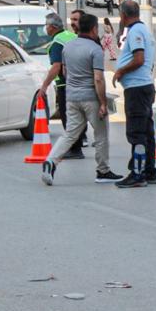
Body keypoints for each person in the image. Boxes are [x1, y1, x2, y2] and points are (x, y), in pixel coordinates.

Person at [40, 13, 116, 184]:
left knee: (69, 134)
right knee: (101, 134)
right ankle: (103, 171)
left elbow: (65, 72)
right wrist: (103, 103)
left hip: (72, 97)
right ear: (94, 28)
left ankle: (50, 161)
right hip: (91, 98)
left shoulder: (68, 47)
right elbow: (98, 78)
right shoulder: (95, 49)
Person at [112, 0, 156, 188]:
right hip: (143, 86)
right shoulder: (143, 30)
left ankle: (138, 174)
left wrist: (120, 71)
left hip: (137, 89)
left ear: (123, 15)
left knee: (137, 132)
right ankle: (149, 170)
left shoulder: (135, 31)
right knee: (146, 131)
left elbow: (139, 59)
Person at [36, 12, 85, 161]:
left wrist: (44, 86)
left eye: (46, 25)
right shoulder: (71, 36)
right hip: (80, 82)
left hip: (65, 84)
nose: (45, 29)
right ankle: (78, 144)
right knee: (77, 116)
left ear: (52, 27)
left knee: (67, 117)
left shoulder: (57, 42)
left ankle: (75, 149)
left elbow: (56, 66)